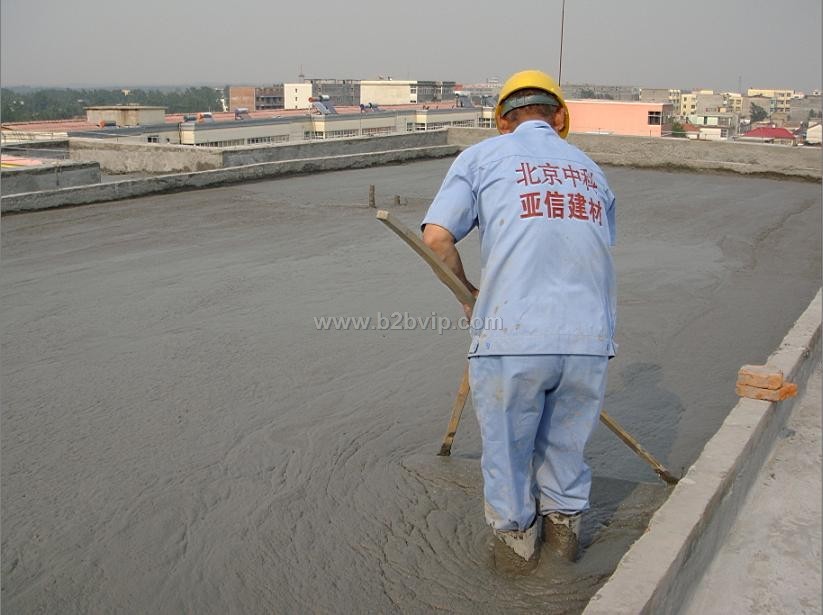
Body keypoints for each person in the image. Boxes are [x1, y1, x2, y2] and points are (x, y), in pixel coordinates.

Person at [420, 70, 617, 563]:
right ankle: (564, 555)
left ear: (502, 121)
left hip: (511, 336)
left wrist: (468, 293)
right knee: (565, 455)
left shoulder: (482, 157)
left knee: (508, 459)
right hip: (588, 338)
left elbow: (437, 238)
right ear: (560, 118)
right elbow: (590, 246)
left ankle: (516, 564)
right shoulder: (591, 169)